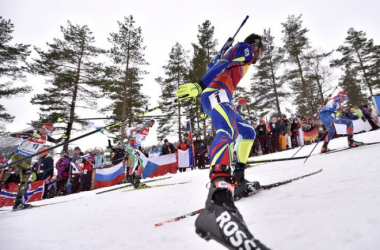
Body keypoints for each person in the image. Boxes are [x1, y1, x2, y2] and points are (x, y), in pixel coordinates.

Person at [176, 33, 269, 249]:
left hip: (223, 95)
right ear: (255, 47)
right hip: (217, 92)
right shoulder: (246, 48)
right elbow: (224, 64)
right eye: (260, 52)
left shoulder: (234, 51)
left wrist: (221, 53)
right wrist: (200, 86)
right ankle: (218, 195)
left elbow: (216, 64)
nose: (259, 57)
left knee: (247, 132)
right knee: (227, 129)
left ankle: (238, 180)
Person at [2, 124, 64, 210]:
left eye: (50, 132)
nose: (48, 133)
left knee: (25, 181)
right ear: (43, 128)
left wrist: (63, 137)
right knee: (4, 178)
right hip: (17, 156)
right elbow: (14, 134)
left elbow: (56, 141)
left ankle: (18, 204)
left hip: (27, 160)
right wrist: (29, 135)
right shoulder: (33, 132)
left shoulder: (46, 137)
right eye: (48, 131)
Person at [125, 119, 155, 188]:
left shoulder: (146, 128)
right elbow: (127, 130)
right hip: (132, 147)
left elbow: (138, 137)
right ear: (148, 120)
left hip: (134, 147)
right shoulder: (141, 126)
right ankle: (137, 180)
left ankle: (130, 178)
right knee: (144, 160)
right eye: (152, 121)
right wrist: (130, 137)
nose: (153, 123)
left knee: (135, 163)